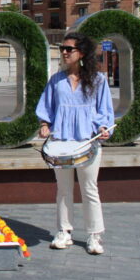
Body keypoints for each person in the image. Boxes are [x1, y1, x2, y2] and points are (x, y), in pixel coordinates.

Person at [36, 32, 114, 255]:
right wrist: (44, 124)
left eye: (69, 49)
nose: (64, 52)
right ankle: (64, 231)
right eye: (63, 48)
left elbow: (104, 111)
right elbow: (46, 108)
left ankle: (94, 235)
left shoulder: (98, 80)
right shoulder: (56, 80)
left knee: (90, 189)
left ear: (81, 53)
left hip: (87, 143)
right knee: (63, 190)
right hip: (61, 141)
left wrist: (102, 128)